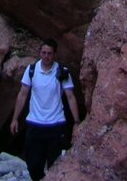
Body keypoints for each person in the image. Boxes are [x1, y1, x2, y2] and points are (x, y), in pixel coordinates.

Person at [10, 38, 80, 180]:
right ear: (39, 53)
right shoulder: (31, 70)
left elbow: (71, 97)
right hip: (35, 124)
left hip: (56, 125)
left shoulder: (62, 72)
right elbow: (23, 94)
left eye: (49, 53)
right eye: (44, 52)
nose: (46, 56)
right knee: (33, 164)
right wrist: (15, 119)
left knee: (54, 164)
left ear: (54, 55)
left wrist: (77, 122)